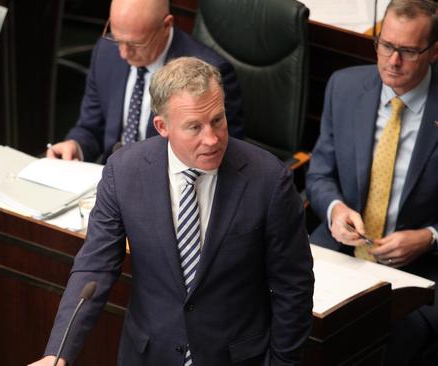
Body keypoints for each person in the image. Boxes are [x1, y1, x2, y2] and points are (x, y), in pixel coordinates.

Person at [30, 57, 313, 366]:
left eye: (218, 120)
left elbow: (293, 286)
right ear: (162, 126)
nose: (212, 138)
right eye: (194, 127)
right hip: (149, 355)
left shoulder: (269, 181)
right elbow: (95, 266)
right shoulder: (124, 172)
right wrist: (57, 354)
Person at [306, 0, 438, 364]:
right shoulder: (344, 88)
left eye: (407, 51)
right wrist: (335, 210)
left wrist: (429, 237)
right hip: (340, 253)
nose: (392, 61)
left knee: (382, 349)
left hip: (419, 273)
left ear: (433, 51)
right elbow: (318, 175)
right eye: (385, 45)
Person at [46, 0, 244, 163]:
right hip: (107, 180)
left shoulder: (209, 74)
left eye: (136, 44)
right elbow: (91, 126)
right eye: (117, 39)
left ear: (166, 26)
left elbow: (218, 154)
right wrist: (75, 146)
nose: (123, 53)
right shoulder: (106, 51)